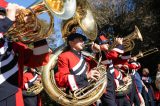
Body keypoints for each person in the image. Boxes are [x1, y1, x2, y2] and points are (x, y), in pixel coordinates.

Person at [0, 1, 50, 106]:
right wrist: (8, 20)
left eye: (4, 14)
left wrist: (35, 32)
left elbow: (39, 60)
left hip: (14, 99)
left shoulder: (15, 46)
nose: (3, 18)